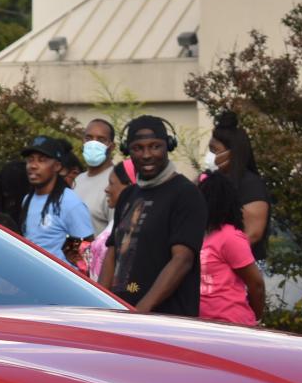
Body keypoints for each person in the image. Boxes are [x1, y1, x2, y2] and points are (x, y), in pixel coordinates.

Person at [99, 116, 207, 316]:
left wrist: (141, 311)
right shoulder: (127, 196)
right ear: (127, 151)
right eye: (137, 148)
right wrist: (101, 305)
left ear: (168, 146)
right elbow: (113, 252)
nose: (146, 155)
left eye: (155, 146)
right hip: (122, 315)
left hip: (165, 319)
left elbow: (182, 260)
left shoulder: (186, 193)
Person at [197, 174, 267, 325]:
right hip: (201, 325)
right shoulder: (198, 235)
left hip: (231, 324)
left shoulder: (230, 237)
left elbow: (257, 285)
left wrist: (256, 319)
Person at [19, 136, 93, 268]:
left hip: (59, 283)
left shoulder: (69, 202)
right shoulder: (27, 199)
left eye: (42, 160)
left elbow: (87, 251)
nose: (33, 166)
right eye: (30, 160)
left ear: (57, 166)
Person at [206, 111, 271, 262]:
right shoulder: (213, 182)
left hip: (242, 266)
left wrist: (219, 254)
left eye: (214, 150)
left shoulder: (250, 184)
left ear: (232, 152)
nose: (210, 156)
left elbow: (253, 234)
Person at [87, 160, 134, 286]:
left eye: (111, 184)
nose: (107, 189)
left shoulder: (133, 227)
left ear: (129, 187)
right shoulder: (117, 220)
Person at [74, 118, 116, 230]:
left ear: (111, 147)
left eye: (101, 140)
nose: (93, 144)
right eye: (89, 138)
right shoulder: (78, 180)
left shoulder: (117, 181)